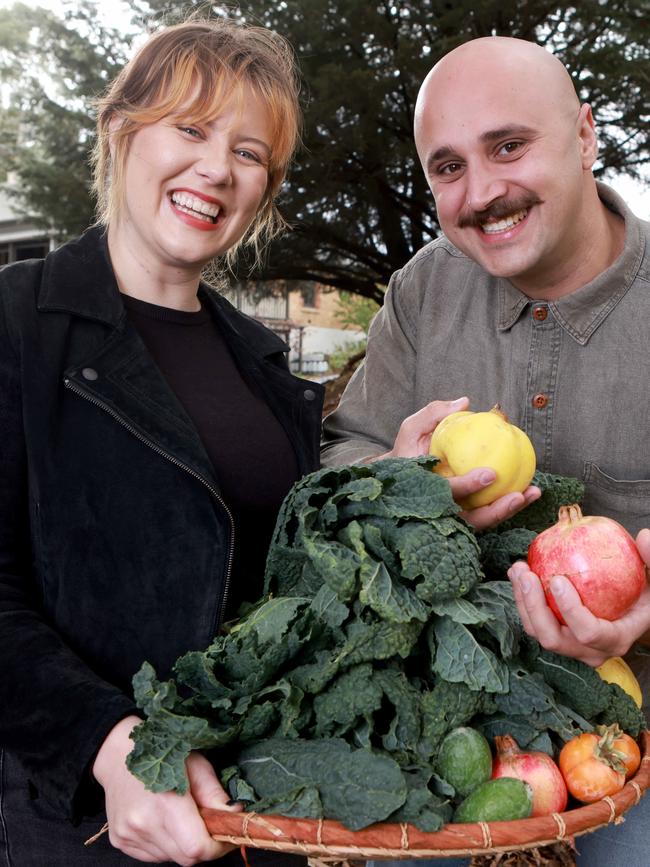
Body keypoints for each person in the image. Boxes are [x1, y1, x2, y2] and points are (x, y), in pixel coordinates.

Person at [0, 17, 322, 867]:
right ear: (121, 128)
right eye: (190, 127)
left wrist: (379, 476)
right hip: (82, 823)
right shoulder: (16, 324)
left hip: (263, 822)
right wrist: (112, 744)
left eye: (250, 152)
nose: (217, 168)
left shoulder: (268, 370)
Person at [321, 36, 650, 867]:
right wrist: (391, 483)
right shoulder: (424, 289)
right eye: (448, 167)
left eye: (508, 146)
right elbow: (346, 452)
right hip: (451, 717)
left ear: (583, 136)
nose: (483, 193)